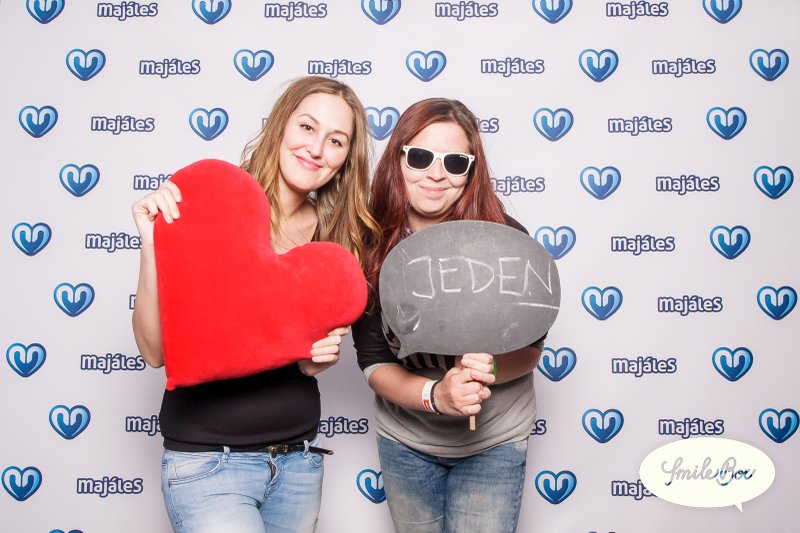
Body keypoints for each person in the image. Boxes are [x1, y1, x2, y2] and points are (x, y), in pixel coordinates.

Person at [131, 76, 379, 532]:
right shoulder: (211, 206)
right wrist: (152, 243)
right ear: (282, 126)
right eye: (307, 127)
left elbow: (300, 360)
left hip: (297, 463)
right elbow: (154, 352)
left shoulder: (336, 241)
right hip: (208, 462)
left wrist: (315, 361)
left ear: (347, 157)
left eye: (336, 140)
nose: (316, 149)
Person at [352, 98, 545, 533]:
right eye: (421, 157)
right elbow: (375, 362)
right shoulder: (371, 246)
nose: (436, 174)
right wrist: (437, 395)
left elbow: (532, 348)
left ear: (471, 172)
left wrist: (488, 368)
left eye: (455, 162)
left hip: (493, 441)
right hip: (407, 441)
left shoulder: (506, 239)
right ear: (398, 159)